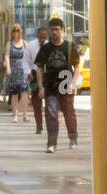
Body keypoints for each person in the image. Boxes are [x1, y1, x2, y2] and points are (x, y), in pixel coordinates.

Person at [34, 18, 81, 153]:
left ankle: (73, 138)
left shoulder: (69, 46)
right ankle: (51, 143)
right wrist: (41, 87)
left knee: (69, 113)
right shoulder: (45, 49)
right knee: (51, 113)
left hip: (66, 83)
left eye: (57, 29)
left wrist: (73, 84)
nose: (54, 32)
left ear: (62, 30)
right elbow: (39, 68)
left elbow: (77, 66)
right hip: (50, 84)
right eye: (52, 29)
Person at [4, 25, 30, 122]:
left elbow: (28, 56)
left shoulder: (24, 43)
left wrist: (29, 69)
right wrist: (8, 67)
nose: (16, 33)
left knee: (24, 92)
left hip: (23, 69)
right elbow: (7, 56)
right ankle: (15, 115)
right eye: (14, 31)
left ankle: (25, 114)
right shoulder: (9, 44)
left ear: (20, 32)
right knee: (14, 93)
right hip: (13, 69)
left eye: (18, 31)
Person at [25, 25, 48, 134]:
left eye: (44, 37)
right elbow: (26, 60)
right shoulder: (31, 45)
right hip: (34, 74)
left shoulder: (49, 45)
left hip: (47, 74)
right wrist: (28, 72)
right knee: (36, 101)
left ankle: (49, 123)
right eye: (40, 37)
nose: (42, 39)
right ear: (37, 35)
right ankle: (39, 125)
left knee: (49, 101)